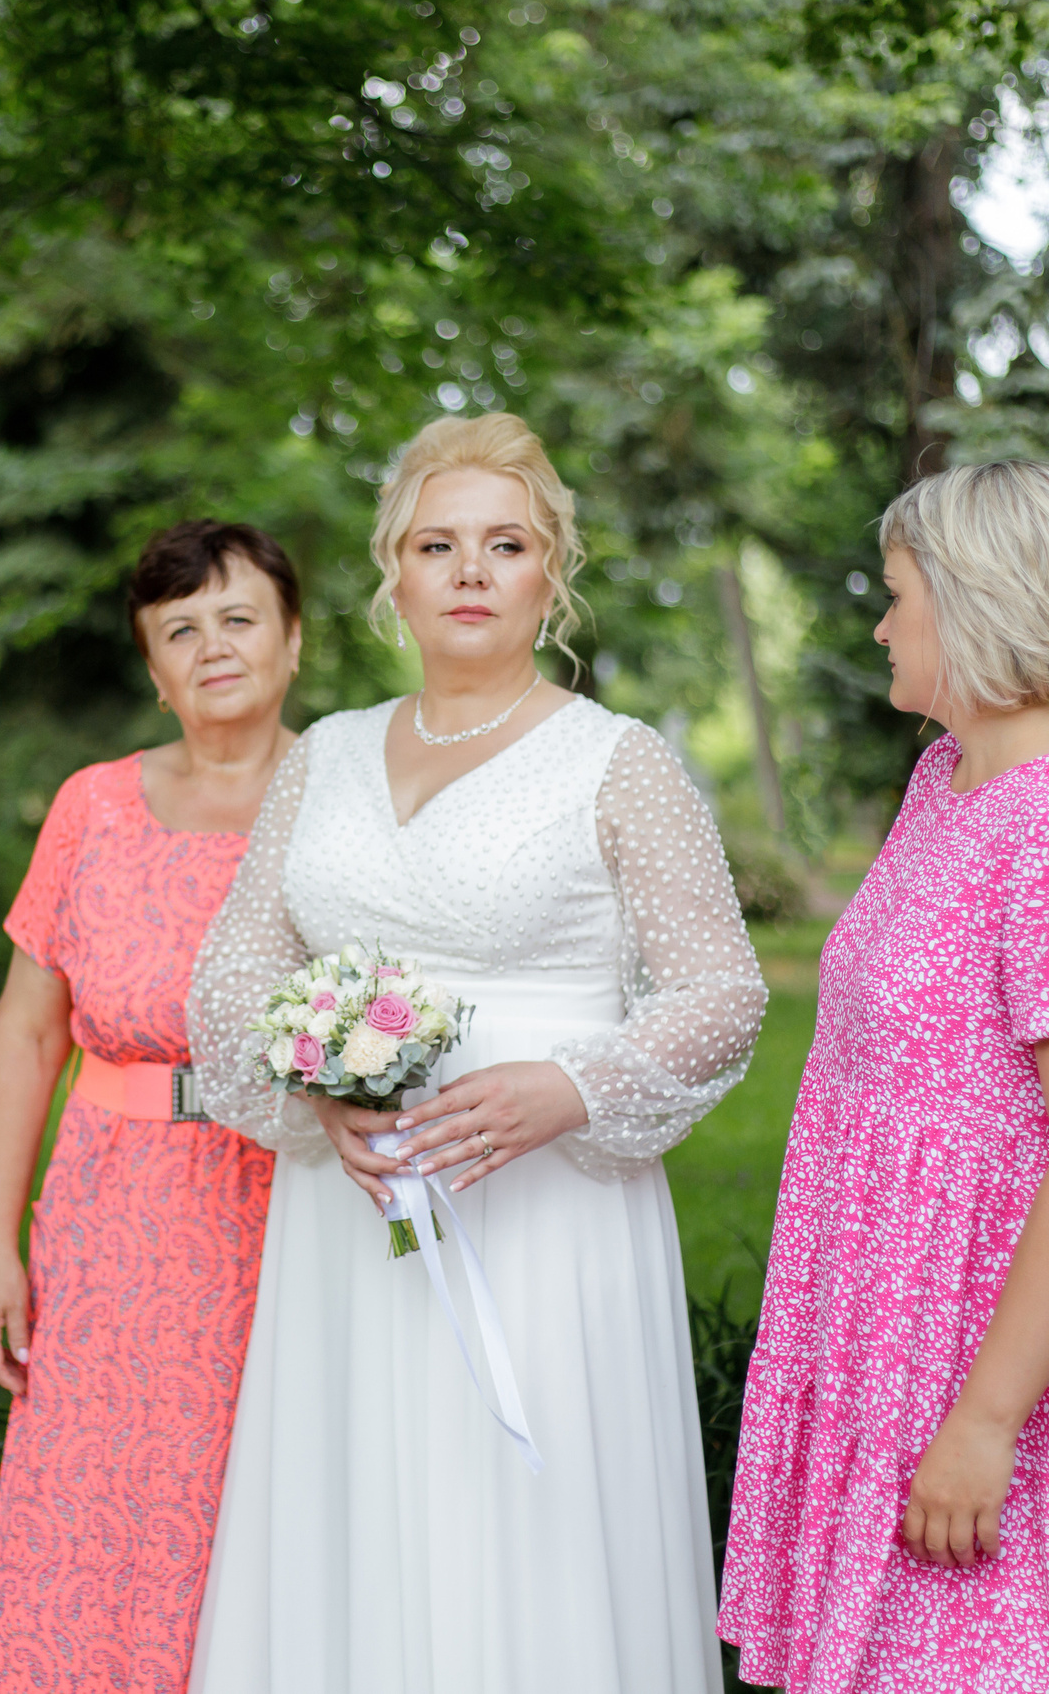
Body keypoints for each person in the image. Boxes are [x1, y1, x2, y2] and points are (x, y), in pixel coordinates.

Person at [185, 413, 767, 1694]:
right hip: (350, 1212)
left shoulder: (622, 763)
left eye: (503, 545)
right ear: (392, 574)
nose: (467, 570)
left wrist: (570, 1086)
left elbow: (721, 989)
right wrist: (309, 1086)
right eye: (436, 544)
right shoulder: (322, 755)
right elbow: (233, 967)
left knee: (517, 1512)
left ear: (548, 574)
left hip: (546, 1211)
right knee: (359, 1504)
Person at [717, 460, 1049, 1692]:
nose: (879, 625)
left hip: (1013, 1340)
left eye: (898, 594)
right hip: (898, 1312)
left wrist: (984, 1421)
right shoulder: (946, 778)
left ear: (972, 605)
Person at [0, 520, 306, 1694]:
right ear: (154, 672)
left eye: (237, 617)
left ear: (292, 639)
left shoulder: (347, 805)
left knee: (249, 1500)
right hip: (109, 1214)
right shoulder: (92, 808)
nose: (212, 646)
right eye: (180, 629)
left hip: (287, 1210)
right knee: (94, 1512)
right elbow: (25, 1031)